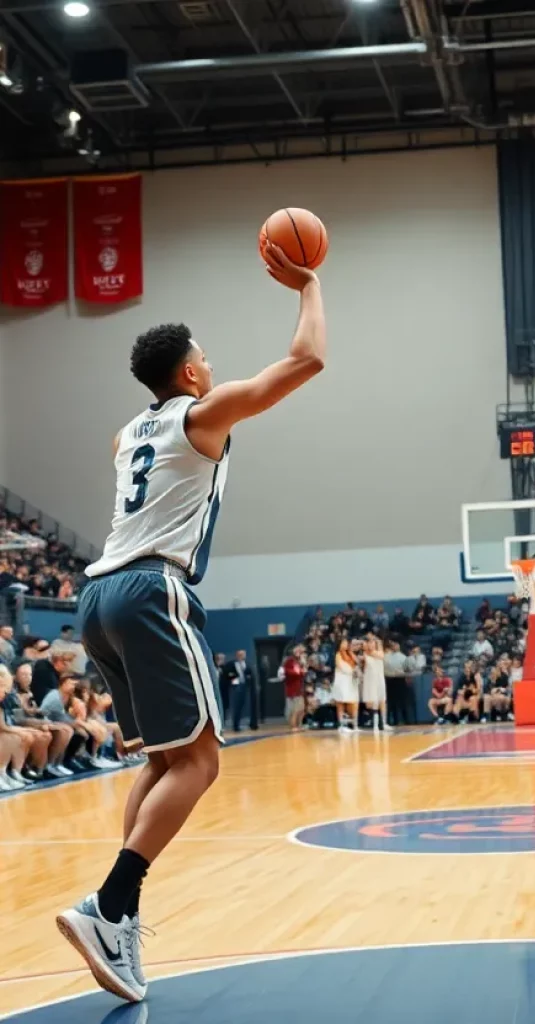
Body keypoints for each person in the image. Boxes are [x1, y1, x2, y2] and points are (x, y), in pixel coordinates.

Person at [56, 241, 325, 1003]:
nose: (211, 364)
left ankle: (119, 909)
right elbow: (306, 361)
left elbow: (143, 458)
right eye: (204, 357)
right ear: (189, 374)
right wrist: (309, 283)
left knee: (160, 762)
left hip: (97, 596)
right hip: (149, 591)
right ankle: (109, 905)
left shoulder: (125, 437)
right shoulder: (200, 414)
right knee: (202, 763)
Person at [360, 634, 390, 732]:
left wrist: (375, 638)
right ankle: (376, 725)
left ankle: (384, 723)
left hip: (379, 679)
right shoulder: (365, 654)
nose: (371, 644)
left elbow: (380, 654)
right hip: (370, 680)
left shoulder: (379, 652)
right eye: (370, 642)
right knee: (373, 702)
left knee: (382, 700)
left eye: (373, 642)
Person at [225, 649, 258, 732]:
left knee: (245, 706)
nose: (242, 656)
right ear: (237, 655)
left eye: (243, 654)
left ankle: (251, 724)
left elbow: (251, 675)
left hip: (245, 687)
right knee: (236, 707)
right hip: (235, 688)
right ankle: (236, 725)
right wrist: (232, 679)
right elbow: (227, 675)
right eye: (240, 654)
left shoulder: (247, 664)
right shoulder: (231, 664)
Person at [332, 639, 359, 731]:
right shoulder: (338, 654)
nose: (345, 644)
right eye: (343, 643)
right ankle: (341, 725)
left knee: (352, 702)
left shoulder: (350, 654)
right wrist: (353, 671)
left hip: (350, 682)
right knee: (341, 703)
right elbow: (342, 667)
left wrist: (351, 653)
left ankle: (354, 725)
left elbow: (357, 662)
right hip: (341, 681)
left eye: (346, 643)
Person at [281, 646, 307, 731]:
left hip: (299, 688)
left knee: (301, 708)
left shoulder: (299, 662)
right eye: (298, 651)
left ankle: (299, 725)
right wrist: (299, 673)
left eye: (301, 651)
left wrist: (301, 671)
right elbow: (287, 672)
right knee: (294, 709)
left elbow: (302, 672)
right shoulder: (289, 661)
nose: (300, 653)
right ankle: (293, 726)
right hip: (292, 688)